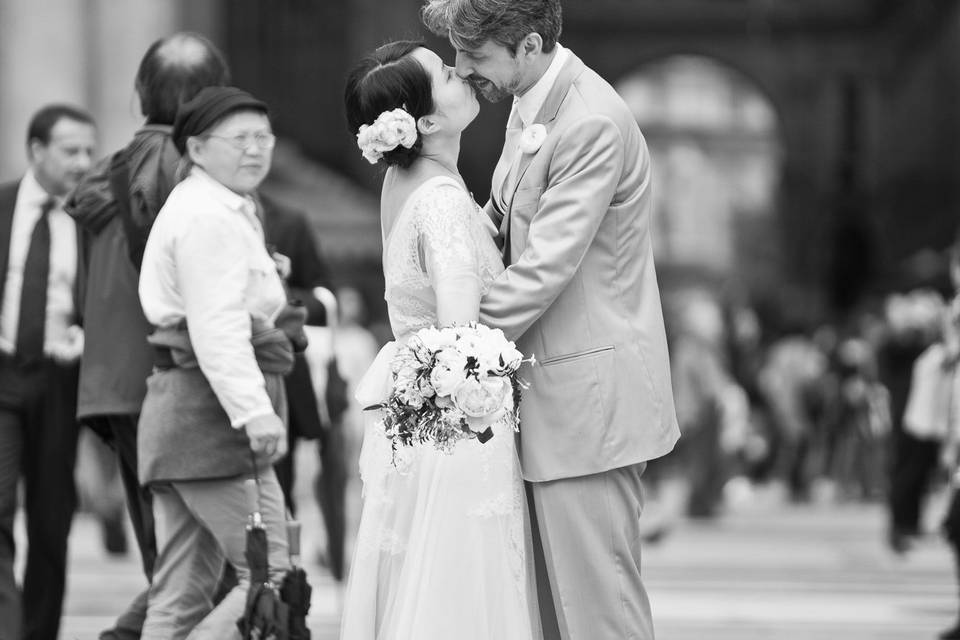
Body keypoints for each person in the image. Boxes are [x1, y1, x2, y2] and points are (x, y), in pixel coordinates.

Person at [422, 1, 680, 638]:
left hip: (588, 407)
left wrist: (454, 344)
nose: (462, 71)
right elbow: (502, 223)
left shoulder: (590, 121)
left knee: (600, 614)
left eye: (476, 58)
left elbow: (545, 266)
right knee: (551, 616)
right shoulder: (533, 102)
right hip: (549, 400)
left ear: (529, 44)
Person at [340, 41, 539, 639]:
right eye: (445, 73)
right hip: (457, 417)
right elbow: (462, 335)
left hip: (416, 413)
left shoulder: (403, 186)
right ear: (425, 122)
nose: (460, 72)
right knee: (459, 591)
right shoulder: (443, 202)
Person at [64, 33, 231, 639]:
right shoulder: (185, 170)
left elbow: (83, 289)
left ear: (139, 93)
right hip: (170, 379)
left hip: (112, 381)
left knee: (171, 554)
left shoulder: (110, 171)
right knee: (203, 563)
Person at [137, 86, 294, 639]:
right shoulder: (209, 216)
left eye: (263, 137)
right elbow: (218, 328)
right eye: (240, 139)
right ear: (198, 149)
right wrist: (255, 412)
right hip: (211, 420)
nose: (255, 150)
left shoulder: (217, 206)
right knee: (274, 576)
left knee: (180, 594)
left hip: (185, 416)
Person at [0, 104, 96, 640]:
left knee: (50, 519)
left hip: (63, 381)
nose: (82, 162)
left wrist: (88, 338)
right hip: (3, 375)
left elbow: (107, 300)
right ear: (36, 150)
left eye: (89, 150)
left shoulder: (91, 217)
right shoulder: (2, 205)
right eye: (70, 150)